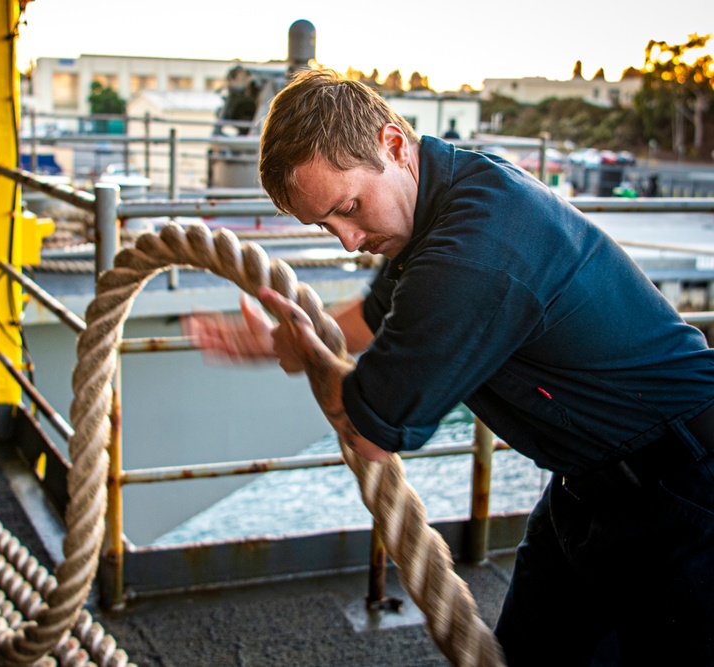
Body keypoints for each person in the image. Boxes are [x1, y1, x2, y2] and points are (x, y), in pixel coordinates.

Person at [184, 68, 714, 666]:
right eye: (326, 225)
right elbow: (370, 315)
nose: (348, 240)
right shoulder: (447, 192)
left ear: (391, 144)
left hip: (688, 489)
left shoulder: (471, 250)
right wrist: (277, 341)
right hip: (593, 485)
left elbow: (370, 434)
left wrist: (310, 359)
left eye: (350, 207)